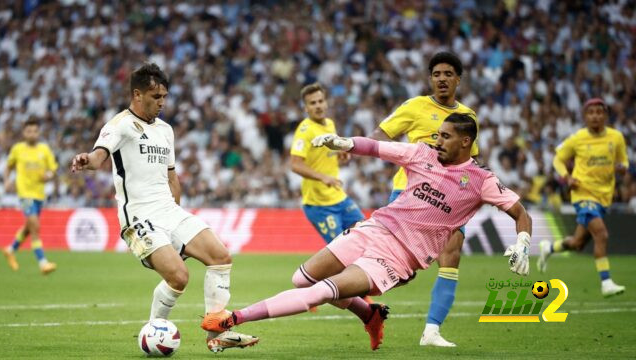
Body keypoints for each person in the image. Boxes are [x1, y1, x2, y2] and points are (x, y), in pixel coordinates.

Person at [201, 114, 532, 351]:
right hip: (374, 228)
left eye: (444, 136)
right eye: (437, 134)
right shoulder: (422, 154)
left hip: (399, 255)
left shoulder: (480, 180)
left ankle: (233, 319)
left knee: (322, 292)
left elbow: (520, 213)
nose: (437, 140)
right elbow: (376, 148)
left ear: (465, 141)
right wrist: (344, 142)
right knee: (302, 280)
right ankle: (369, 313)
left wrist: (523, 242)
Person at [71, 63, 257, 353]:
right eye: (156, 97)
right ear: (137, 94)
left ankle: (216, 335)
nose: (162, 103)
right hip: (138, 218)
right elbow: (98, 156)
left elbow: (172, 176)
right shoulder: (119, 125)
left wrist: (177, 222)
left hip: (169, 211)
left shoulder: (166, 131)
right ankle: (153, 331)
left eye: (164, 97)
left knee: (221, 257)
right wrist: (87, 160)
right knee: (179, 277)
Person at [370, 51, 478, 347]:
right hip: (410, 194)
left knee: (451, 255)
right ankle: (350, 296)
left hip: (449, 200)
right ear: (430, 79)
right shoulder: (415, 106)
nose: (441, 79)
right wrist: (405, 158)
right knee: (401, 271)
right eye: (436, 74)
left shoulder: (468, 117)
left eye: (447, 74)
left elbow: (471, 161)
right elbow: (381, 133)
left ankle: (431, 331)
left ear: (458, 78)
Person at [538, 98, 628, 297]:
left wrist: (623, 168)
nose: (595, 115)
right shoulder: (577, 138)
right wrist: (566, 177)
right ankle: (606, 282)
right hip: (583, 194)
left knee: (578, 243)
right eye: (591, 112)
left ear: (605, 116)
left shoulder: (616, 138)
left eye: (599, 112)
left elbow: (623, 161)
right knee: (601, 235)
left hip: (604, 196)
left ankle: (549, 247)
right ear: (585, 117)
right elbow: (558, 159)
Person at [290, 83, 365, 243]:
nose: (318, 106)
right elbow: (295, 164)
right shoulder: (305, 130)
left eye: (320, 101)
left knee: (364, 233)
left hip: (338, 195)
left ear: (326, 102)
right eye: (312, 103)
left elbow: (324, 154)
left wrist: (340, 155)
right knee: (340, 250)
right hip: (319, 204)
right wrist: (323, 177)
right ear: (305, 108)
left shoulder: (329, 124)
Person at [2, 118, 58, 275]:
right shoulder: (18, 149)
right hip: (25, 194)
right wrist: (7, 181)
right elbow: (8, 167)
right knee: (35, 226)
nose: (32, 134)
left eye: (34, 131)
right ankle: (43, 263)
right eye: (28, 131)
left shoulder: (44, 150)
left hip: (39, 195)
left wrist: (48, 176)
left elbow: (53, 170)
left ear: (38, 132)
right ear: (23, 133)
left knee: (28, 227)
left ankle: (10, 249)